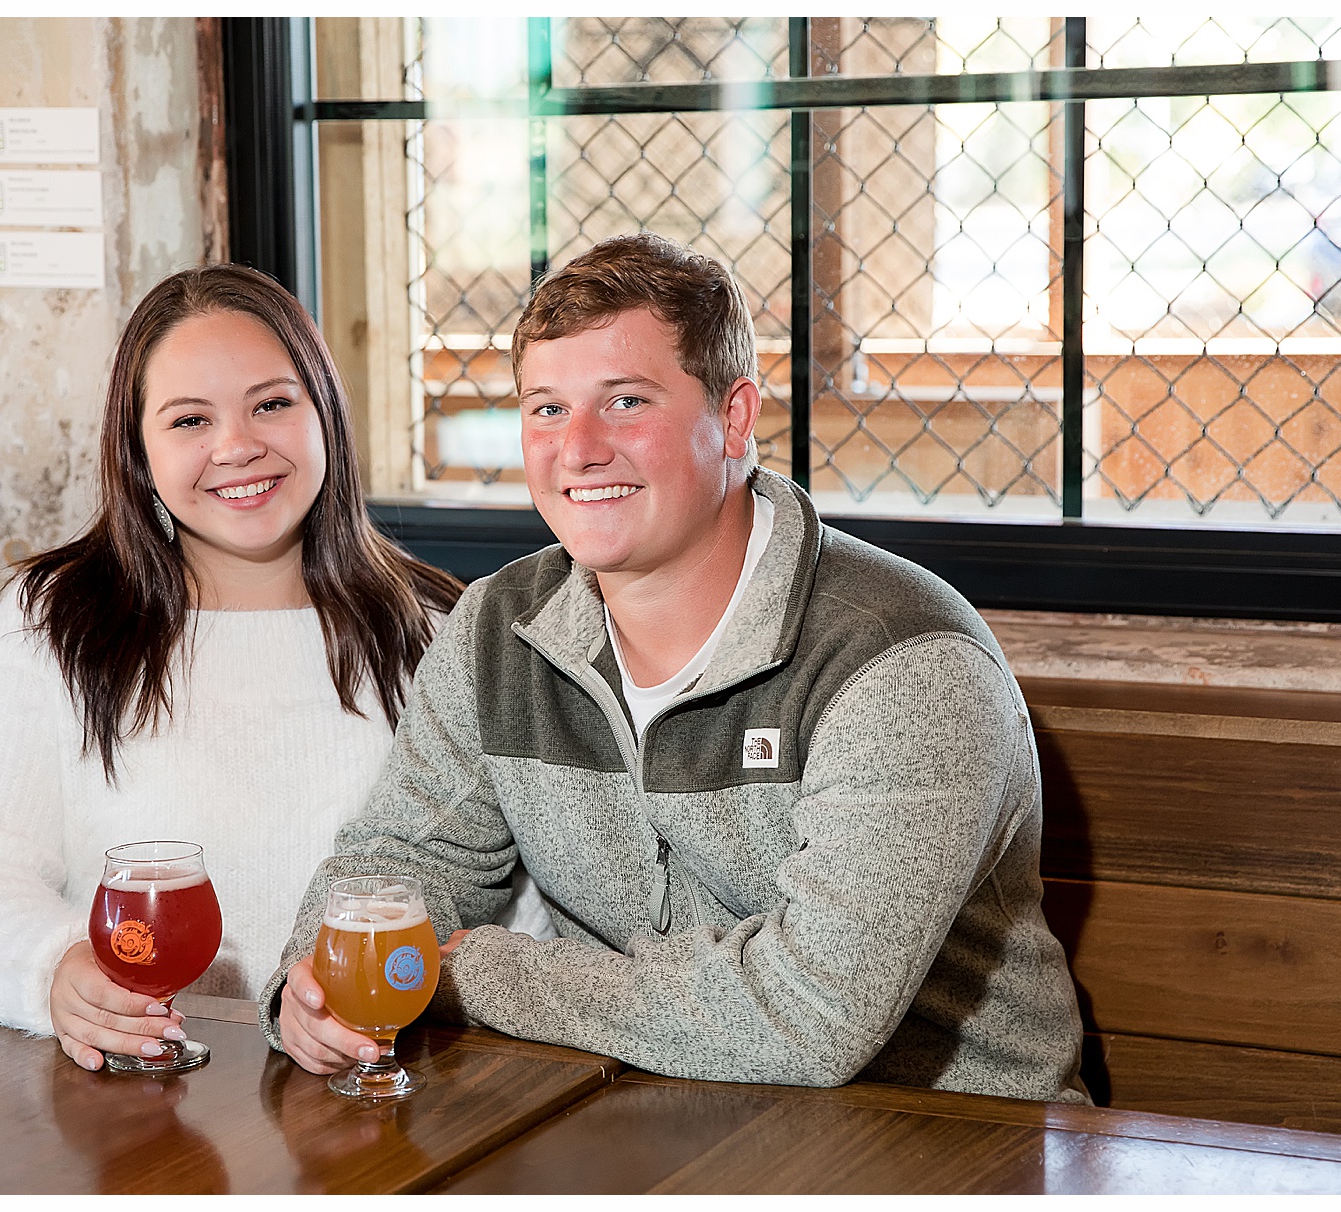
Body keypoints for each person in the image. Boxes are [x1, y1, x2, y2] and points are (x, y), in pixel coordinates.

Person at [263, 233, 1088, 1102]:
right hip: (644, 1112)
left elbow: (809, 1019)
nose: (577, 449)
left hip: (956, 1138)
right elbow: (399, 860)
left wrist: (472, 975)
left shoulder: (904, 664)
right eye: (546, 408)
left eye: (625, 402)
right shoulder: (498, 627)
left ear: (734, 417)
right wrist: (309, 987)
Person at [0, 264, 547, 1072]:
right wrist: (51, 972)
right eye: (188, 420)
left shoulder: (438, 628)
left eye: (272, 404)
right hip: (133, 1112)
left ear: (326, 418)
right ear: (138, 451)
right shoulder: (57, 619)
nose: (237, 446)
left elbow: (517, 914)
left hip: (379, 1096)